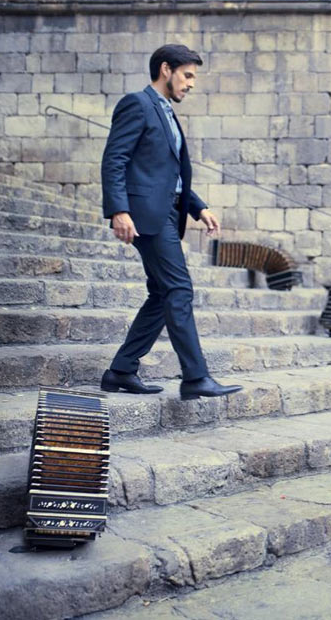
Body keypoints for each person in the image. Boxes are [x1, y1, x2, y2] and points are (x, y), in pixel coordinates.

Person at [99, 44, 242, 401]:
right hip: (147, 215)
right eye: (188, 75)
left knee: (163, 293)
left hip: (167, 211)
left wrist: (198, 207)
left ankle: (120, 370)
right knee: (178, 290)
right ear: (166, 69)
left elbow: (167, 173)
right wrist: (119, 209)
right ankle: (196, 377)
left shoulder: (165, 112)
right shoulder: (137, 104)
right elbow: (114, 159)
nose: (192, 84)